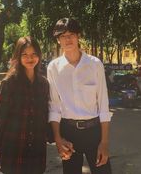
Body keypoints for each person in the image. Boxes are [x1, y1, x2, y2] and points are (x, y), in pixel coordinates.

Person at [47, 18, 112, 174]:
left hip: (94, 132)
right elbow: (54, 106)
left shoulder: (95, 64)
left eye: (71, 34)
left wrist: (104, 142)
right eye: (63, 36)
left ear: (78, 36)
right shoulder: (54, 68)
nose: (68, 39)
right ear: (58, 40)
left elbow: (103, 105)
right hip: (68, 133)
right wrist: (58, 139)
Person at [0, 36, 49, 174]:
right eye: (25, 55)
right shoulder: (9, 83)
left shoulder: (44, 84)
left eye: (34, 54)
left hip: (37, 150)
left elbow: (45, 114)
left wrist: (52, 136)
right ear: (18, 57)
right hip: (12, 147)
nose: (30, 58)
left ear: (39, 55)